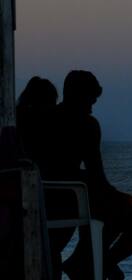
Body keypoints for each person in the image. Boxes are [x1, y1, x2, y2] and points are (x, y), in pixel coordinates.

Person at [48, 70, 132, 280]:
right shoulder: (87, 124)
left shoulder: (47, 119)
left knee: (107, 213)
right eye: (90, 100)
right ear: (79, 96)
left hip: (58, 198)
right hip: (80, 197)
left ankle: (85, 261)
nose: (92, 106)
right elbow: (96, 173)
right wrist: (111, 193)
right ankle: (103, 262)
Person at [16, 77, 77, 280]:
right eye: (51, 102)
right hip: (47, 201)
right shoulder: (43, 128)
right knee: (52, 249)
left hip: (27, 200)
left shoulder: (18, 125)